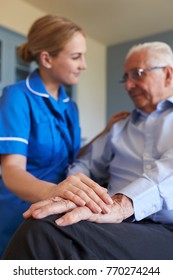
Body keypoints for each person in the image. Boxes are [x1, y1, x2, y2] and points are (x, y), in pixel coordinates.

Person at [4, 40, 173, 260]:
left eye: (138, 74)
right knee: (46, 226)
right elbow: (84, 162)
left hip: (161, 225)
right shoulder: (118, 128)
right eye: (126, 78)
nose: (128, 86)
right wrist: (77, 193)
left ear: (168, 74)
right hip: (119, 225)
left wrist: (123, 204)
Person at [0, 14, 129, 258]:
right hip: (19, 210)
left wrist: (105, 132)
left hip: (59, 207)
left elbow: (70, 157)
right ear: (47, 58)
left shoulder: (70, 106)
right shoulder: (17, 97)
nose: (84, 64)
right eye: (76, 56)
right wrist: (53, 191)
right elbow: (12, 172)